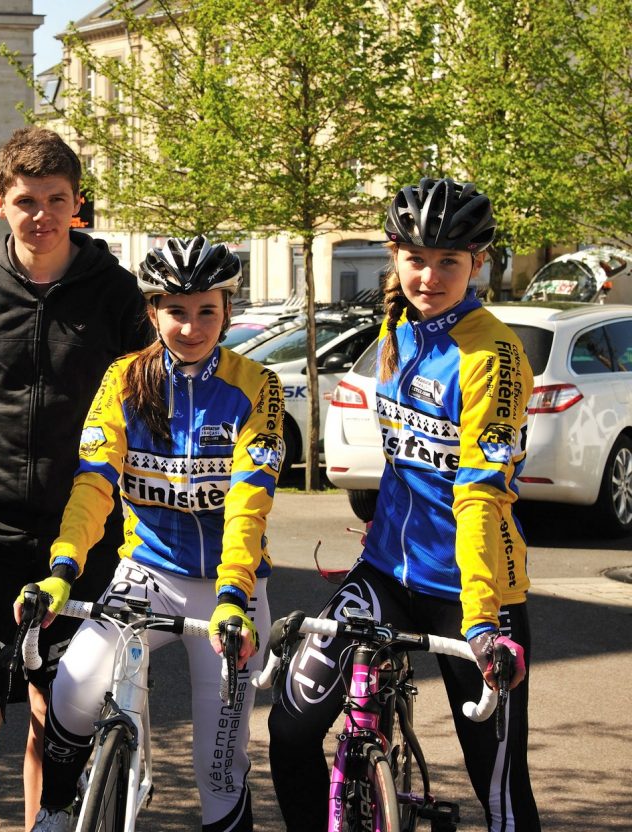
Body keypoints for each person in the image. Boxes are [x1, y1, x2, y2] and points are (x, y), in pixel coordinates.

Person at [267, 178, 541, 831]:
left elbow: (478, 496)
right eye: (416, 258)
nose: (430, 275)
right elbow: (400, 469)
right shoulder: (396, 332)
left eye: (450, 260)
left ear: (480, 262)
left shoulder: (493, 356)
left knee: (500, 792)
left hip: (475, 595)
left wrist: (480, 624)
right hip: (386, 575)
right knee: (290, 727)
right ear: (394, 255)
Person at [0, 126, 153, 827]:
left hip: (84, 535)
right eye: (27, 200)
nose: (42, 216)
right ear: (0, 201)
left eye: (58, 200)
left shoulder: (116, 293)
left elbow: (143, 402)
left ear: (77, 204)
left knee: (58, 718)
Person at [21, 237, 283, 832]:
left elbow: (248, 501)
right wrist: (64, 567)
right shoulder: (124, 380)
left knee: (218, 771)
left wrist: (233, 594)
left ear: (228, 313)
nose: (191, 327)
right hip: (148, 576)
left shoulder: (255, 386)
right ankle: (58, 807)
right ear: (153, 311)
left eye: (206, 311)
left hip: (231, 590)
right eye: (176, 311)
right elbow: (93, 484)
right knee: (74, 686)